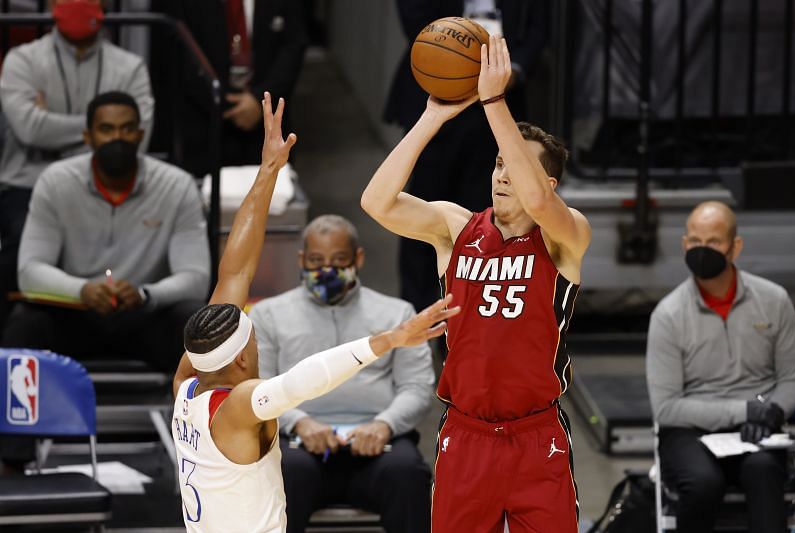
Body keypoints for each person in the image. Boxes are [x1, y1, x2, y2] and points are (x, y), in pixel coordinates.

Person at [171, 93, 459, 533]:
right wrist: (389, 339)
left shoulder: (187, 386)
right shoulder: (240, 405)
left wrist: (269, 171)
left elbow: (234, 271)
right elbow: (307, 378)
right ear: (243, 360)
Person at [362, 36, 591, 533]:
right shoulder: (455, 225)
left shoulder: (566, 235)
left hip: (538, 436)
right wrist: (432, 116)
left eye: (518, 166)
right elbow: (376, 202)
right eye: (499, 163)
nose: (505, 175)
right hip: (467, 435)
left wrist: (494, 101)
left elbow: (535, 199)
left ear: (549, 185)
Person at [250, 214, 434, 533]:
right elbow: (259, 389)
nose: (326, 270)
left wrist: (384, 425)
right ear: (301, 259)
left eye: (339, 261)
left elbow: (417, 388)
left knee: (408, 473)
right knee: (283, 473)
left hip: (379, 444)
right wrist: (300, 422)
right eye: (316, 260)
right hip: (299, 444)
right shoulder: (268, 314)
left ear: (358, 259)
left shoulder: (397, 314)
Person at [2, 91, 207, 373]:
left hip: (145, 314)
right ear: (88, 137)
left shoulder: (177, 186)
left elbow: (196, 278)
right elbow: (29, 272)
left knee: (193, 320)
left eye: (127, 128)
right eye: (106, 129)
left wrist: (145, 294)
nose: (117, 138)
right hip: (77, 313)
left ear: (140, 134)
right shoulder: (55, 182)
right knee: (25, 323)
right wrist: (82, 290)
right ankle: (18, 416)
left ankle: (199, 414)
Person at [384, 0, 549, 312]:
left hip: (499, 105)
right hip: (438, 95)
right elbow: (415, 23)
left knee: (488, 217)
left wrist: (513, 70)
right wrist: (460, 66)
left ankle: (471, 319)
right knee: (422, 211)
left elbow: (540, 28)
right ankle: (417, 322)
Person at [646, 201, 795, 533]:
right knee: (703, 483)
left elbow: (793, 378)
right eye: (695, 241)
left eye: (713, 242)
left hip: (759, 429)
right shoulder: (668, 315)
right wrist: (745, 411)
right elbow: (668, 408)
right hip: (689, 433)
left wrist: (774, 411)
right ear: (685, 244)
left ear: (735, 247)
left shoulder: (774, 302)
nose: (703, 250)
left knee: (764, 472)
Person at [0, 0, 154, 331]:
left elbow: (139, 135)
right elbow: (28, 128)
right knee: (15, 257)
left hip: (105, 179)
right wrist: (98, 130)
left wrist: (50, 123)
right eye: (100, 127)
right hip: (27, 183)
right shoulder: (22, 59)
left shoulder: (129, 66)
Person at [151, 0, 307, 176]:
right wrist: (224, 103)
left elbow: (294, 44)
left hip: (266, 122)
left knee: (270, 196)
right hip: (203, 122)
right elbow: (175, 50)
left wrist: (258, 100)